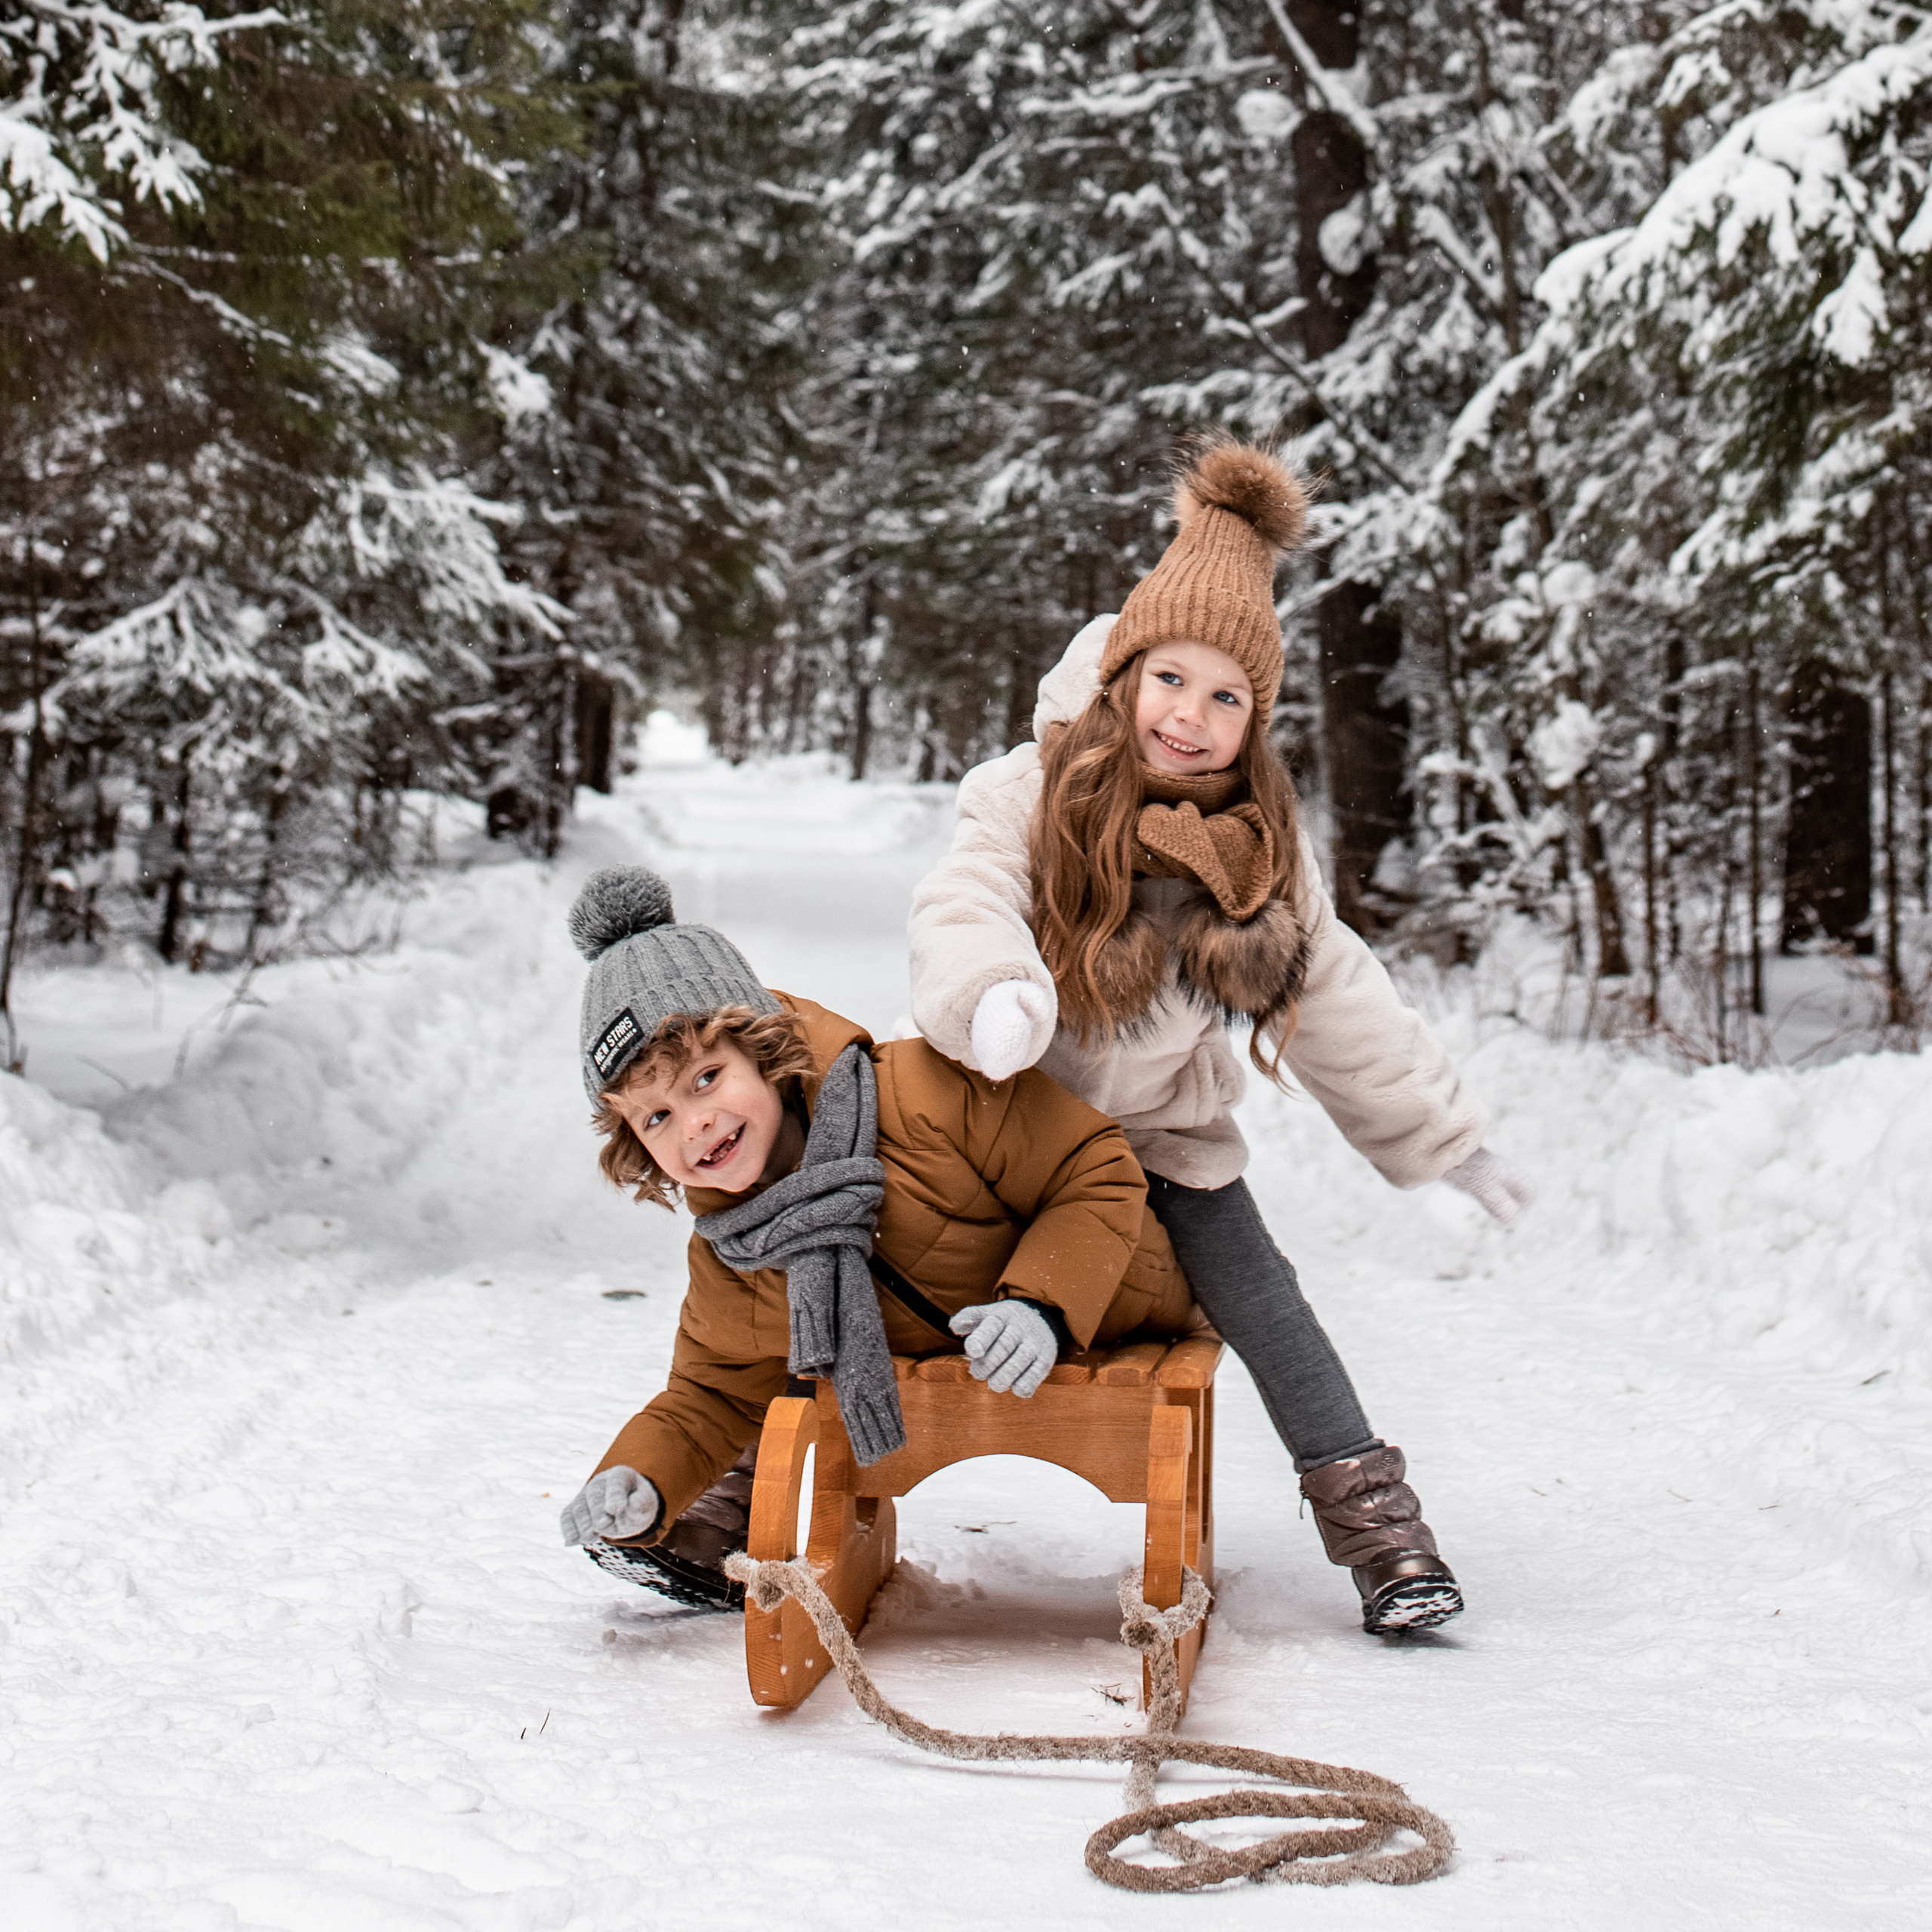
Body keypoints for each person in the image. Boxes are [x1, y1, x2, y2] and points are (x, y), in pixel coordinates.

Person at [906, 435, 1534, 1635]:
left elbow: (1337, 997)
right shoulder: (1031, 793)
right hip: (1000, 1113)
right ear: (1125, 675)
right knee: (864, 1239)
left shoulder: (1260, 855)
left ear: (1257, 721)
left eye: (1227, 698)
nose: (1191, 718)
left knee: (1266, 1298)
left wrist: (1446, 1141)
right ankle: (732, 1500)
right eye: (1171, 682)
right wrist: (992, 991)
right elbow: (963, 896)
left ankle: (1380, 1532)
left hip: (1155, 1139)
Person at [555, 866, 1197, 1609]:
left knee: (804, 1337)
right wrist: (640, 1474)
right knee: (773, 1359)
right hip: (934, 1351)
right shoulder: (732, 1250)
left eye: (705, 1078)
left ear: (761, 1049)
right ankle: (711, 1516)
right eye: (655, 1117)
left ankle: (731, 1507)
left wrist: (1041, 1304)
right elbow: (709, 1393)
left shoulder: (921, 1094)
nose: (693, 1122)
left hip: (1109, 1309)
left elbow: (1094, 1168)